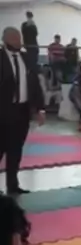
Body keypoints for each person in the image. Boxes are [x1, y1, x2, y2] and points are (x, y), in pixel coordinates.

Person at [0, 26, 45, 196]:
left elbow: (35, 85)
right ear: (5, 40)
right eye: (14, 38)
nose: (19, 41)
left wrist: (40, 108)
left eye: (19, 38)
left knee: (16, 149)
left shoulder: (26, 58)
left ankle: (13, 185)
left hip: (22, 110)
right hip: (3, 110)